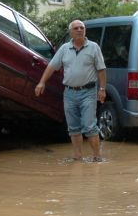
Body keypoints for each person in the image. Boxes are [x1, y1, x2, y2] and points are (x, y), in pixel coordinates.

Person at [35, 20, 106, 161]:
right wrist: (41, 82)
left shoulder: (93, 47)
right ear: (71, 32)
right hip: (69, 93)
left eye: (82, 28)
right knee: (73, 127)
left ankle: (97, 158)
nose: (79, 30)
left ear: (85, 30)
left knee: (89, 126)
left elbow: (101, 69)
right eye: (76, 28)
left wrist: (102, 89)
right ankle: (78, 158)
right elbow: (51, 66)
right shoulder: (64, 49)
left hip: (88, 92)